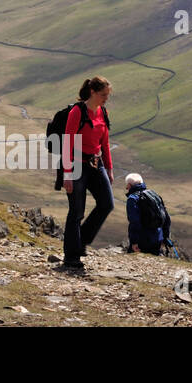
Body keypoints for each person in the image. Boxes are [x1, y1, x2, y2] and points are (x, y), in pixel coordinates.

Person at [61, 76, 114, 271]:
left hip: (95, 164)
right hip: (76, 165)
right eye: (103, 95)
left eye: (108, 95)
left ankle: (81, 238)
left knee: (107, 204)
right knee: (76, 212)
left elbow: (105, 142)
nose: (106, 98)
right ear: (93, 92)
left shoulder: (103, 112)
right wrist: (67, 173)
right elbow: (67, 142)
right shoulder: (77, 112)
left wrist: (109, 168)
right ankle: (71, 256)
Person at [125, 173, 171, 255]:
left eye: (127, 185)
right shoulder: (153, 195)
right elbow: (166, 217)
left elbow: (135, 222)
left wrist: (134, 242)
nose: (126, 188)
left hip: (142, 240)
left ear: (129, 185)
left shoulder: (132, 199)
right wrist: (165, 237)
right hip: (158, 237)